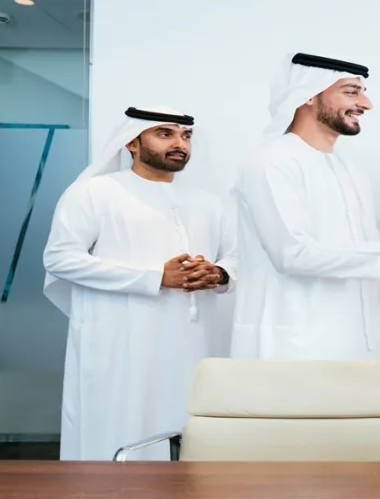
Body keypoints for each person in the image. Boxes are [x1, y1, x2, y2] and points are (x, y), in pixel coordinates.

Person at [43, 106, 237, 460]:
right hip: (122, 340)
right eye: (165, 134)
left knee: (189, 424)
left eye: (185, 135)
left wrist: (220, 273)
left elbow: (236, 257)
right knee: (122, 421)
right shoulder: (95, 193)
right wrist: (156, 277)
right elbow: (59, 259)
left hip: (193, 340)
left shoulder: (208, 202)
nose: (180, 143)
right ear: (132, 142)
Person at [230, 52, 380, 361]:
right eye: (351, 91)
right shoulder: (271, 161)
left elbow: (368, 250)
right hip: (292, 342)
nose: (366, 104)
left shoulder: (352, 170)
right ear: (309, 96)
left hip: (357, 337)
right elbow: (291, 253)